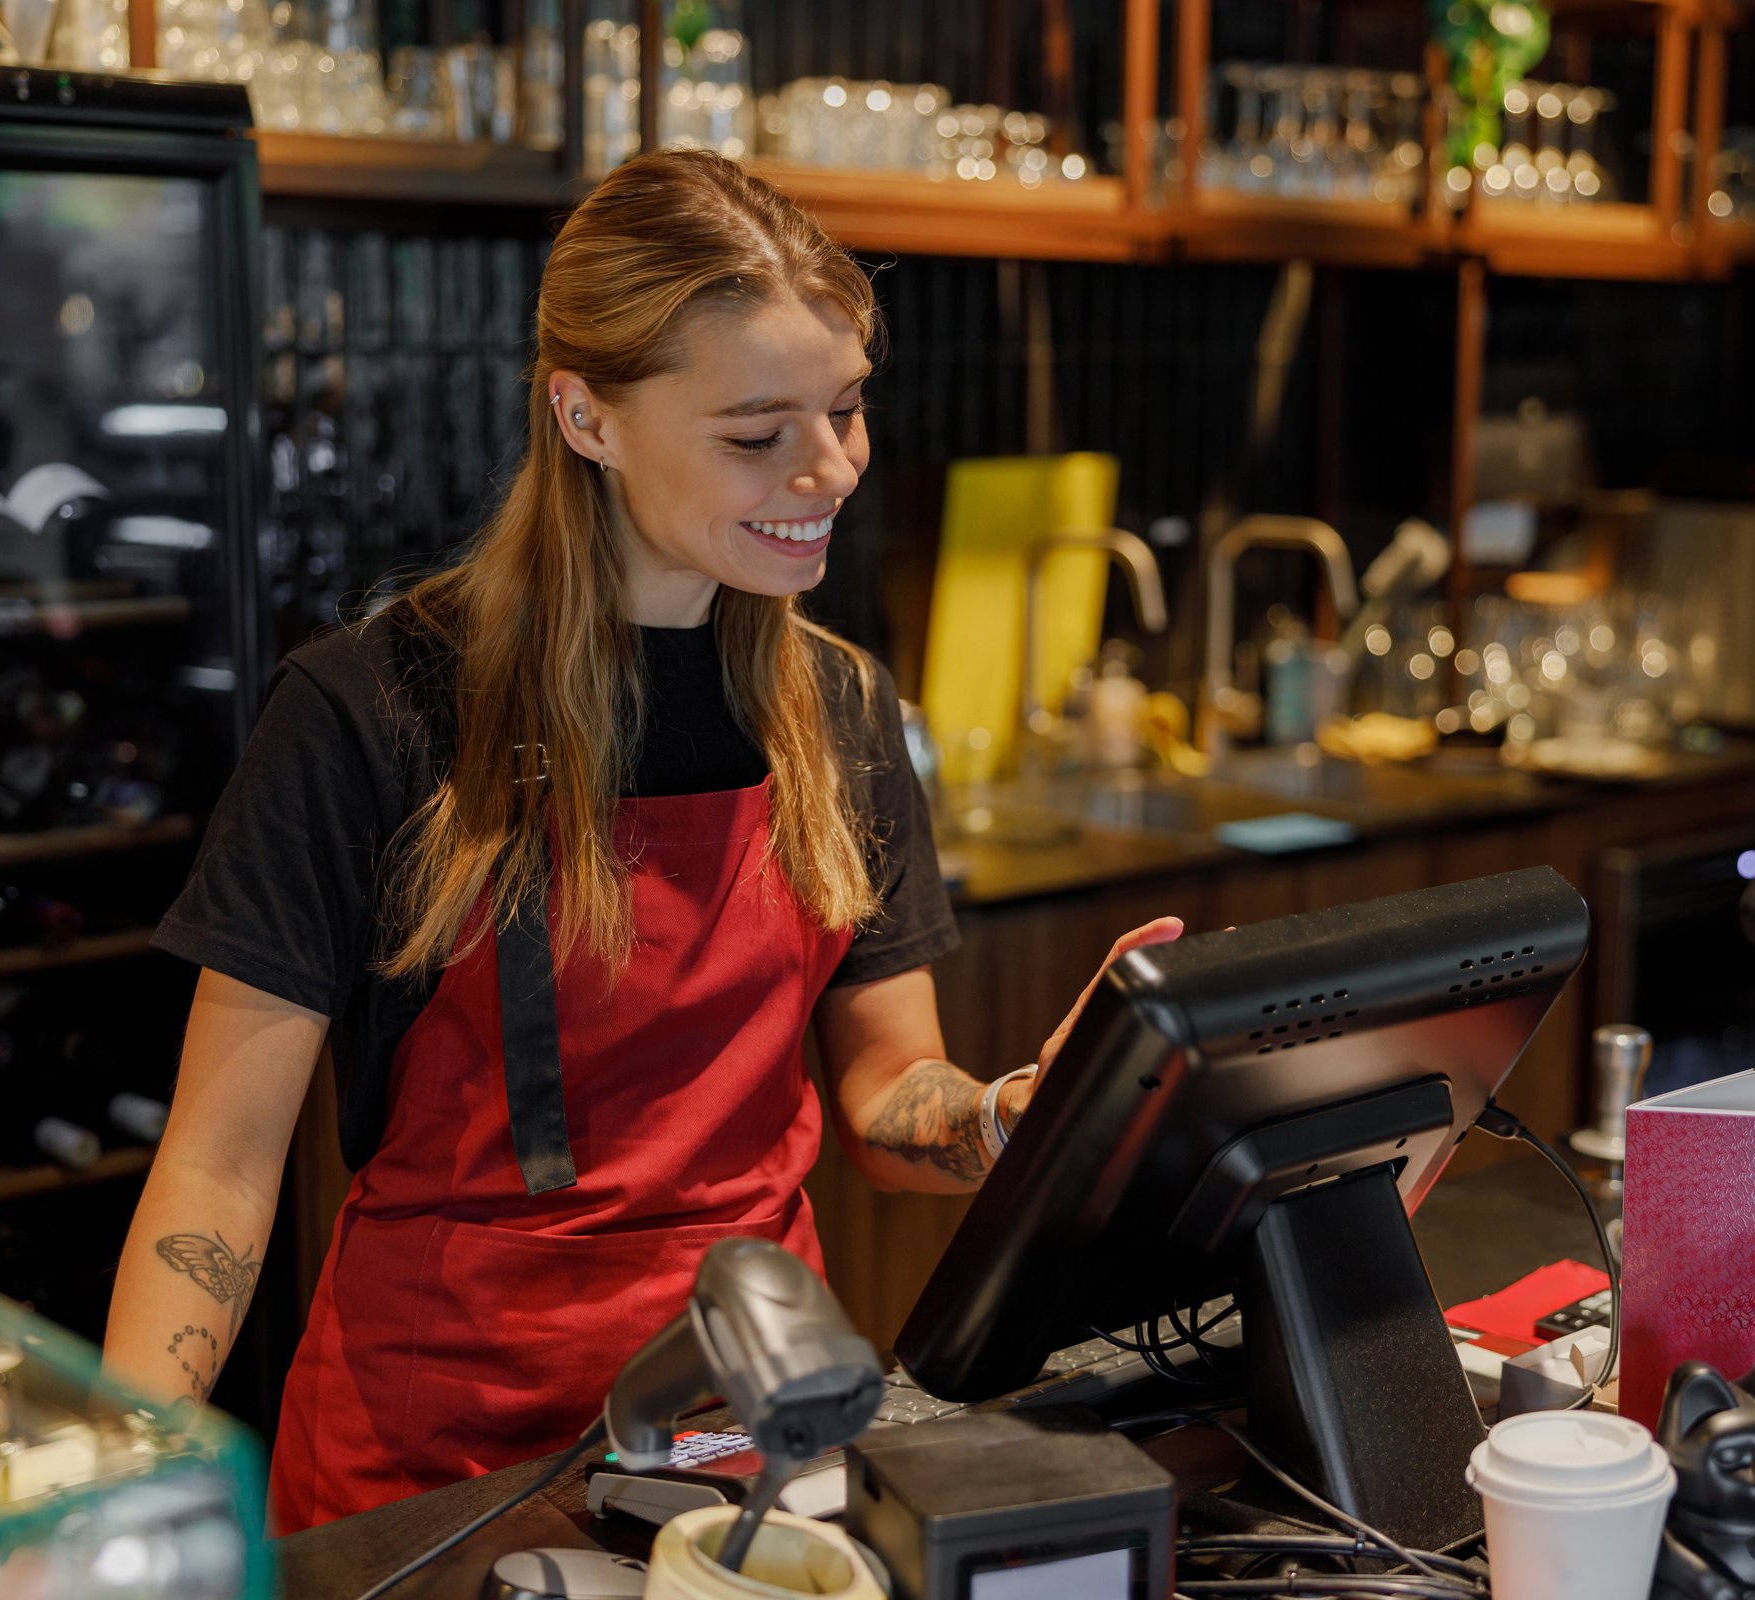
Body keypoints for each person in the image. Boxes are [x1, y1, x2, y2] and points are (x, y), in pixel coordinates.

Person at [101, 149, 1179, 1531]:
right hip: (440, 1473)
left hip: (758, 1446)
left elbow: (885, 1106)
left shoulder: (839, 708)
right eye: (757, 432)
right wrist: (117, 1497)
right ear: (586, 416)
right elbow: (219, 1169)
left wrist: (1002, 1120)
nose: (830, 467)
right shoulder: (369, 711)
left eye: (846, 410)